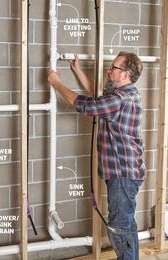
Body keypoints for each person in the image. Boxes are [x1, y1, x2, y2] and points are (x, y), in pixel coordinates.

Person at [47, 51, 146, 260]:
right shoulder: (124, 94)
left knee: (120, 227)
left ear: (126, 74)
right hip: (126, 172)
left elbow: (89, 105)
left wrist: (56, 83)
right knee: (126, 225)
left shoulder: (122, 98)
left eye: (115, 68)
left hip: (123, 174)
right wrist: (78, 71)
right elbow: (99, 97)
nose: (110, 70)